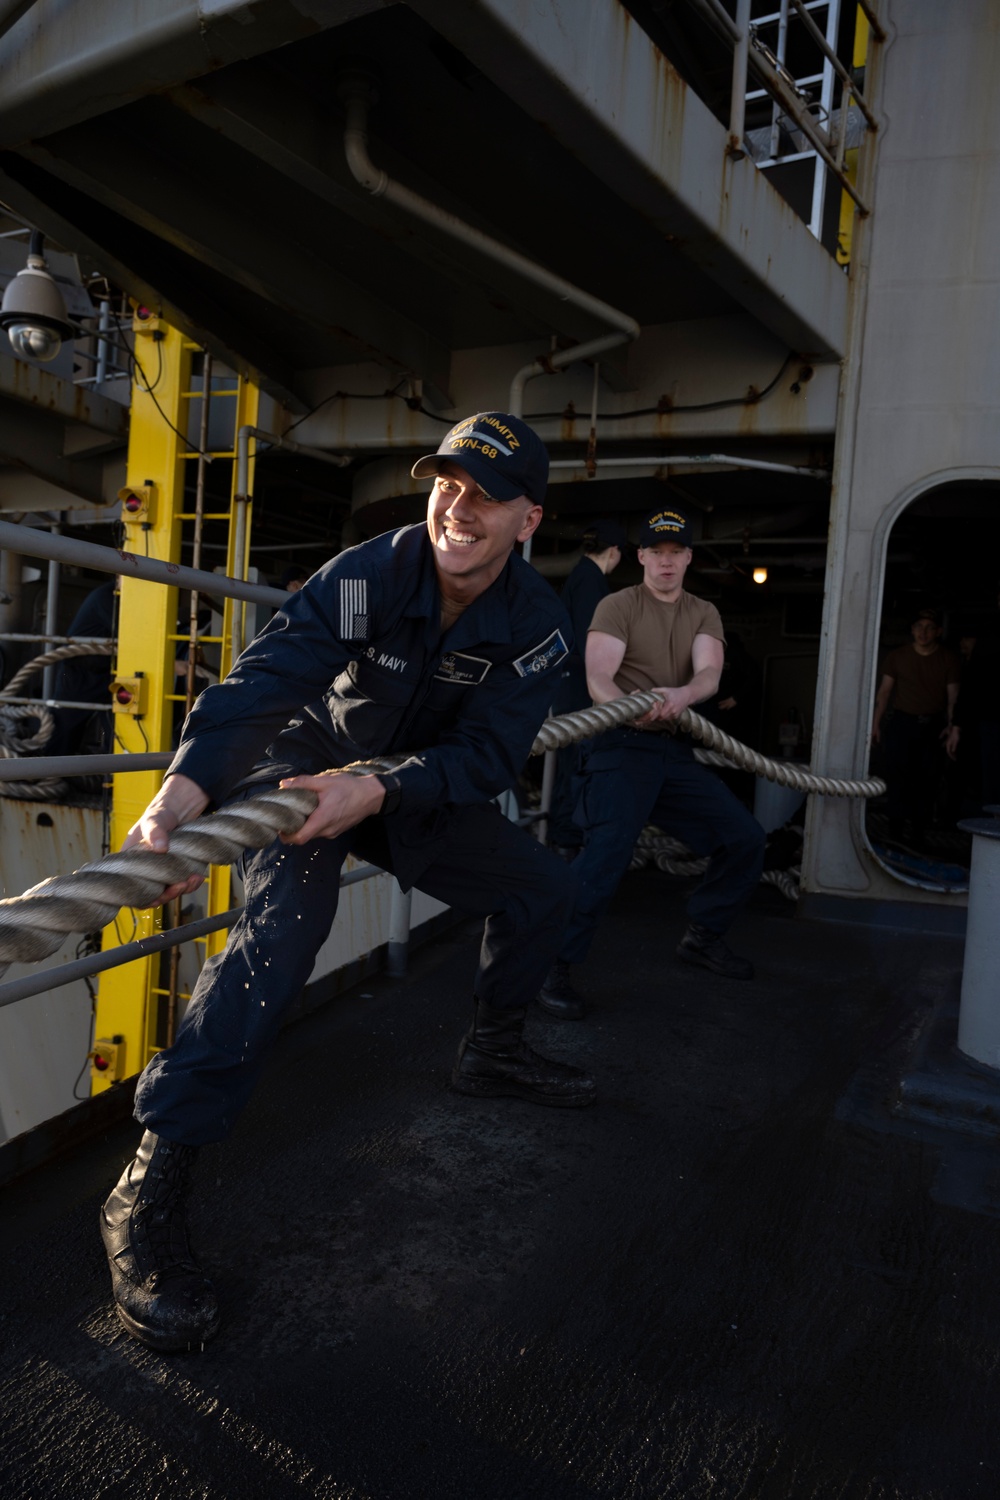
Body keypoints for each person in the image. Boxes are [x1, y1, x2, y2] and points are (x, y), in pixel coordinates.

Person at [100, 411, 596, 1353]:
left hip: (411, 788)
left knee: (544, 891)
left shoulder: (536, 625)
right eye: (448, 483)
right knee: (280, 938)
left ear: (527, 521)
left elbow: (488, 757)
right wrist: (181, 794)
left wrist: (382, 788)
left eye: (487, 495)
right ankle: (146, 1189)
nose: (459, 506)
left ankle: (493, 1049)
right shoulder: (371, 570)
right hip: (306, 772)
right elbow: (266, 681)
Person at [538, 507, 766, 1021]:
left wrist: (683, 695)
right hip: (620, 746)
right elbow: (599, 678)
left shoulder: (703, 611)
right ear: (641, 557)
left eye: (676, 553)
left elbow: (709, 671)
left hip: (674, 749)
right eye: (656, 552)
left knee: (744, 837)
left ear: (688, 558)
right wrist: (630, 707)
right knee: (604, 859)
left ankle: (703, 936)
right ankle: (550, 965)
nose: (666, 562)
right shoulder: (617, 605)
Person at [547, 519, 628, 853]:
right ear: (615, 552)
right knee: (576, 766)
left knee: (573, 766)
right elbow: (590, 642)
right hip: (579, 689)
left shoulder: (581, 578)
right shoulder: (590, 582)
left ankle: (565, 839)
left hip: (571, 685)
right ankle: (567, 843)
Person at [871, 607, 961, 842]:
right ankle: (895, 834)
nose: (923, 632)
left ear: (938, 631)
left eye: (929, 627)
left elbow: (953, 698)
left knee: (927, 781)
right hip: (903, 723)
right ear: (912, 630)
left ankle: (919, 835)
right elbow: (884, 692)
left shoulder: (947, 658)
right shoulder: (898, 657)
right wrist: (875, 723)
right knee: (898, 780)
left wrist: (953, 726)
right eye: (919, 627)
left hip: (933, 726)